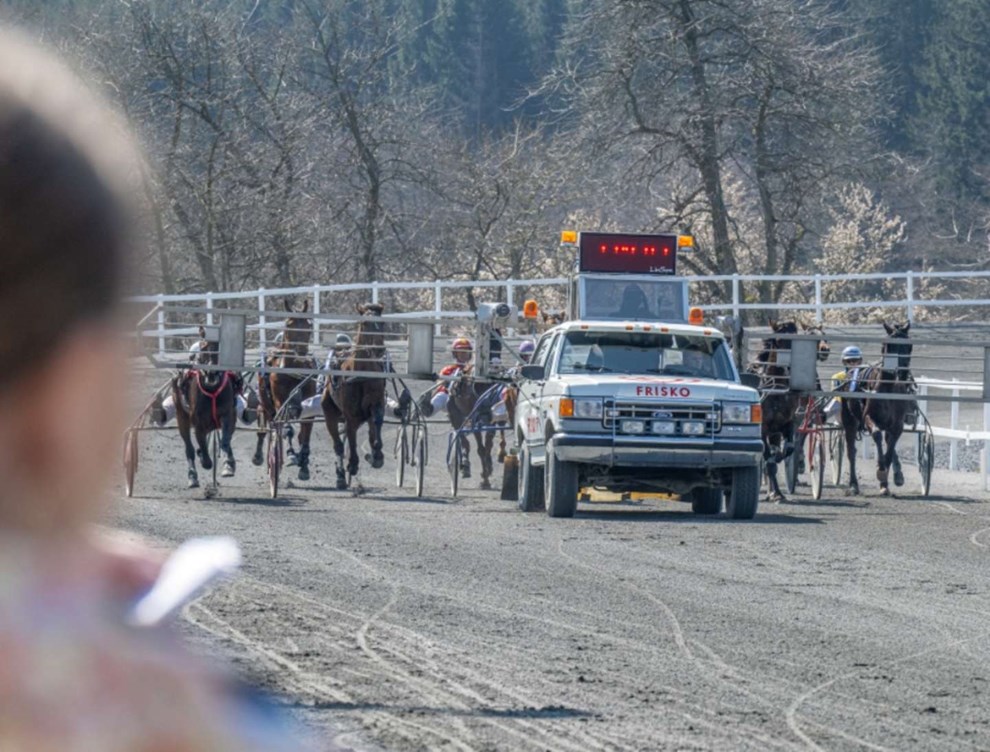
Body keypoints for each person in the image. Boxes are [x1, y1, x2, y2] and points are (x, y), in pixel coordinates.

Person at [0, 30, 301, 750]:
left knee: (234, 394)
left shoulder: (221, 339)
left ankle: (222, 444)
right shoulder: (157, 717)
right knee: (189, 396)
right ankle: (198, 442)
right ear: (72, 388)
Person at [420, 337, 473, 416]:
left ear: (470, 354)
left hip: (467, 399)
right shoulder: (449, 369)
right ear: (455, 354)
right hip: (450, 398)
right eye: (460, 352)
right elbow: (440, 384)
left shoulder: (473, 370)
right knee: (441, 396)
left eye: (465, 352)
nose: (463, 355)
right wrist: (444, 382)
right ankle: (429, 409)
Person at [825, 345, 864, 423]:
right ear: (844, 362)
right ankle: (823, 416)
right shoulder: (837, 376)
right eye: (849, 361)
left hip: (860, 410)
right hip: (843, 410)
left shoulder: (864, 376)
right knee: (836, 402)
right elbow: (836, 396)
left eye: (855, 360)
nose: (852, 363)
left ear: (860, 361)